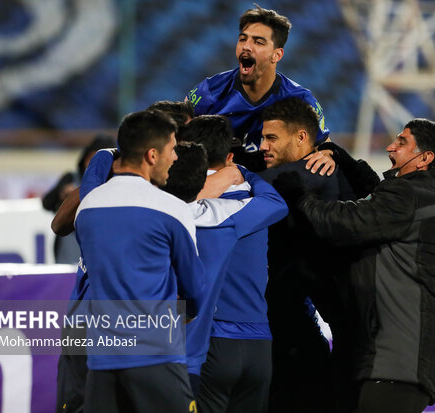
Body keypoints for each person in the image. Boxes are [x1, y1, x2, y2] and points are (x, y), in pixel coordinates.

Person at [274, 118, 435, 413]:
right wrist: (347, 162)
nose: (390, 147)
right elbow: (378, 202)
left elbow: (347, 222)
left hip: (395, 363)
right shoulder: (427, 195)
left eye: (401, 142)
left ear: (425, 158)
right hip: (399, 360)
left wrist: (299, 197)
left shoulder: (410, 196)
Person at [75, 109, 204, 413]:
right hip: (155, 356)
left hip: (101, 358)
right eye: (172, 150)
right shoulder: (172, 209)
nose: (175, 158)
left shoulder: (88, 206)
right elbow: (195, 289)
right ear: (152, 155)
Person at [257, 97, 376, 413]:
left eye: (271, 138)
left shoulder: (308, 175)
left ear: (300, 138)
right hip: (342, 323)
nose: (261, 146)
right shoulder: (332, 170)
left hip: (331, 327)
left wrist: (224, 175)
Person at [179, 115, 287, 413]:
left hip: (210, 341)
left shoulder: (172, 208)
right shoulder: (252, 202)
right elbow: (277, 203)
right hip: (259, 342)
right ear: (229, 156)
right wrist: (242, 173)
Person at [186, 5, 333, 174]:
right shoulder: (210, 91)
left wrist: (327, 154)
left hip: (274, 188)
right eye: (242, 39)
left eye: (258, 42)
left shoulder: (301, 100)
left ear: (277, 55)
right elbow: (178, 130)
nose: (246, 47)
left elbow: (324, 144)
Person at [42, 134, 114, 263]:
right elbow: (47, 202)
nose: (94, 164)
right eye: (91, 159)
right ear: (84, 159)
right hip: (69, 254)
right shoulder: (72, 178)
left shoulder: (116, 185)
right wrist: (62, 194)